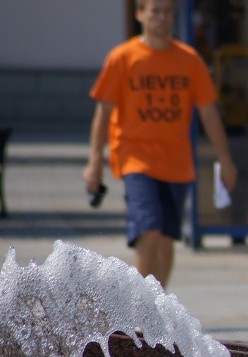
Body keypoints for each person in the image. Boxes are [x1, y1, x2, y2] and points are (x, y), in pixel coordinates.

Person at [82, 0, 237, 289]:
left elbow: (208, 111)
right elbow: (103, 111)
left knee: (166, 238)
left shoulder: (189, 60)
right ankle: (142, 307)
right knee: (148, 231)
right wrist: (94, 162)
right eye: (155, 11)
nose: (161, 18)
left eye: (167, 12)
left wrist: (225, 160)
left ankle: (159, 304)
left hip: (177, 163)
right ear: (140, 14)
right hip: (136, 159)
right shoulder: (123, 57)